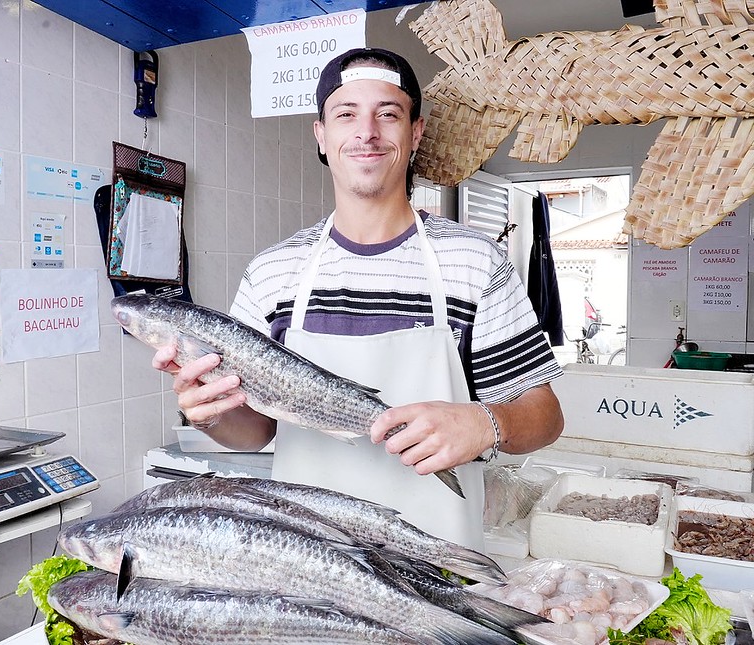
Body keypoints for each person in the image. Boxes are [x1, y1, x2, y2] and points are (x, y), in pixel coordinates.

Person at [153, 47, 564, 550]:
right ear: (322, 135)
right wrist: (212, 414)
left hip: (438, 560)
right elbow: (255, 431)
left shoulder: (475, 262)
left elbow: (544, 414)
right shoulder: (272, 272)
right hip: (311, 560)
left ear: (415, 134)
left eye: (387, 114)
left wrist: (485, 423)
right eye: (345, 114)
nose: (366, 132)